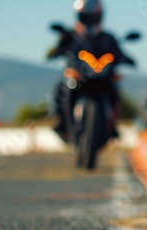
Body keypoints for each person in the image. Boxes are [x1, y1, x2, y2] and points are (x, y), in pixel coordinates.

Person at [47, 0, 136, 143]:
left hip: (103, 79)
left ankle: (111, 126)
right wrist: (55, 52)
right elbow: (56, 50)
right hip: (78, 78)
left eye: (93, 17)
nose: (90, 20)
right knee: (61, 90)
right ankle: (62, 124)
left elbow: (119, 53)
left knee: (115, 93)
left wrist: (128, 60)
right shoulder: (71, 36)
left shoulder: (108, 38)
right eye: (86, 17)